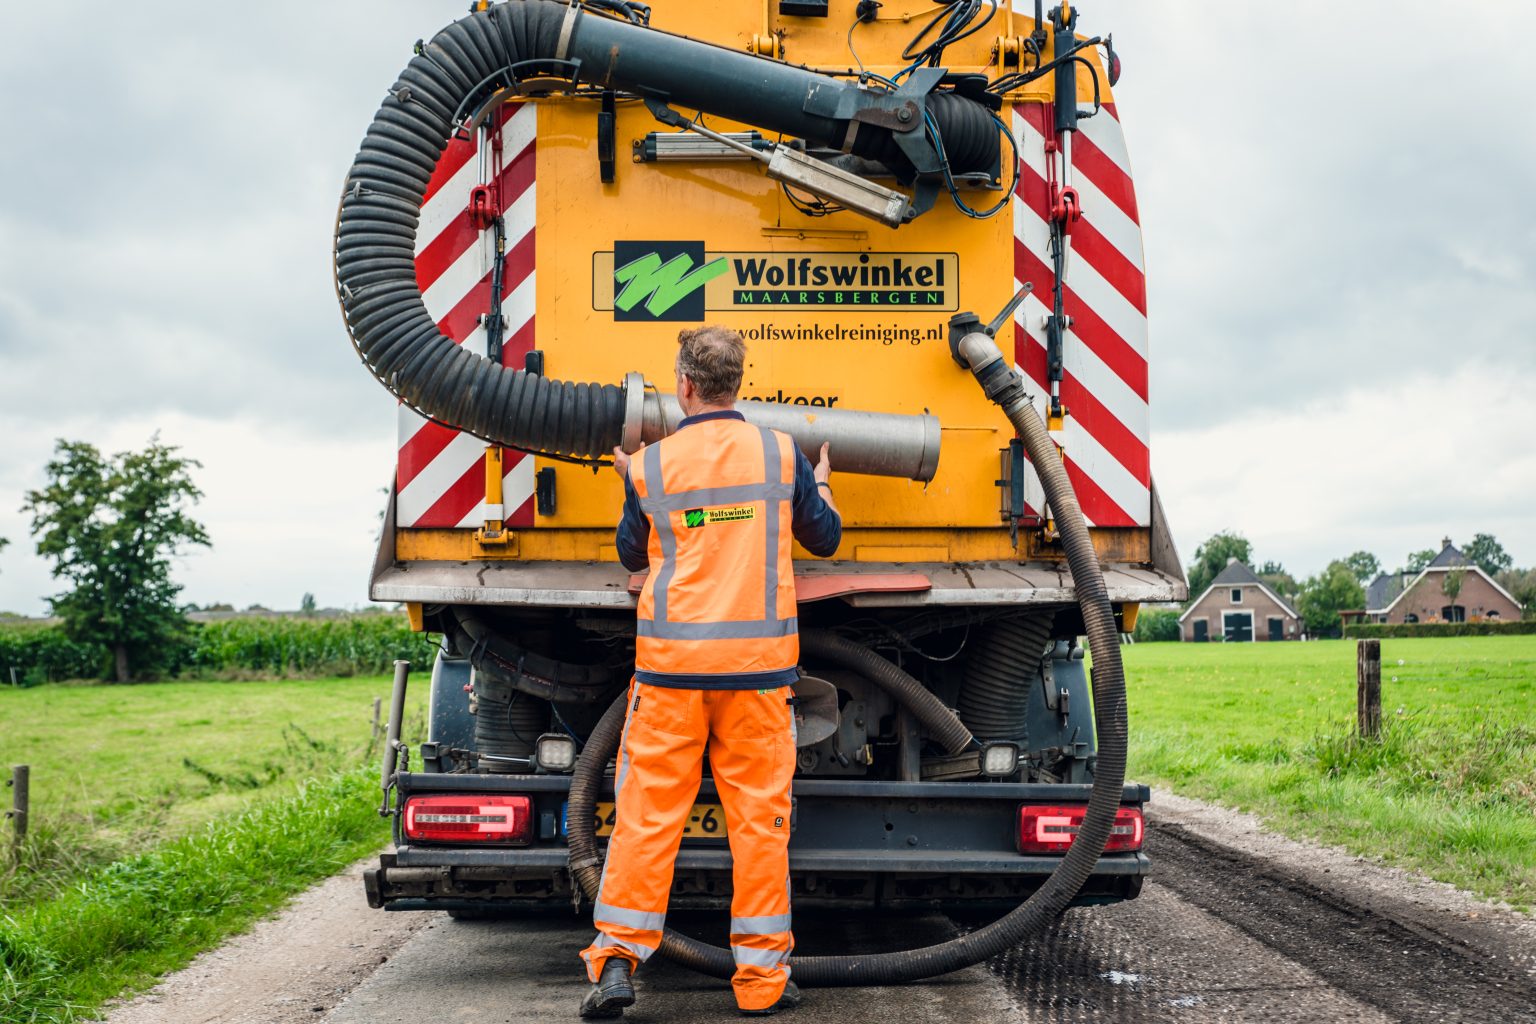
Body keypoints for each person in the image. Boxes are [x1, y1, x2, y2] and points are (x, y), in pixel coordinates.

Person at [578, 325, 841, 1019]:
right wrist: (824, 489)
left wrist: (629, 484)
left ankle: (615, 963)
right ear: (737, 383)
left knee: (644, 821)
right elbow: (826, 538)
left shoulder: (651, 468)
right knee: (758, 826)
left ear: (684, 386)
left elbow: (632, 555)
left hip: (669, 677)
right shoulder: (781, 456)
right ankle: (759, 983)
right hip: (756, 680)